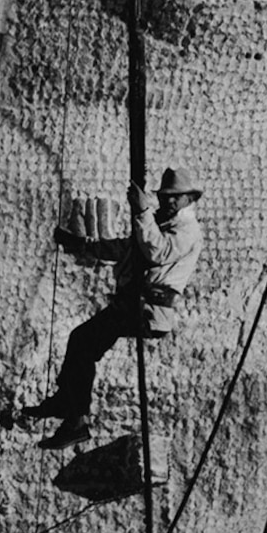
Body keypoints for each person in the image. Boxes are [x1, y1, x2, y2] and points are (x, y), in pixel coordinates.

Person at [26, 169, 205, 442]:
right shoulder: (160, 223)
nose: (169, 201)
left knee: (84, 342)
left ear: (189, 198)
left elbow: (156, 252)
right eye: (165, 196)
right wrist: (83, 244)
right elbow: (127, 249)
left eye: (175, 197)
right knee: (81, 340)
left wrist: (142, 212)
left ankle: (76, 419)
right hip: (134, 304)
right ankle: (68, 404)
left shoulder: (187, 229)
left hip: (149, 311)